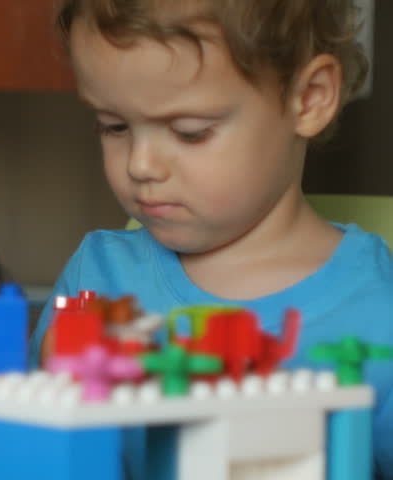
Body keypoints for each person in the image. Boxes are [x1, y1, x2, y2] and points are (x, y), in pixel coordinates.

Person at [27, 0, 393, 477]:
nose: (141, 164)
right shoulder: (98, 278)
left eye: (190, 132)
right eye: (113, 126)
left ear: (308, 98)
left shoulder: (377, 308)